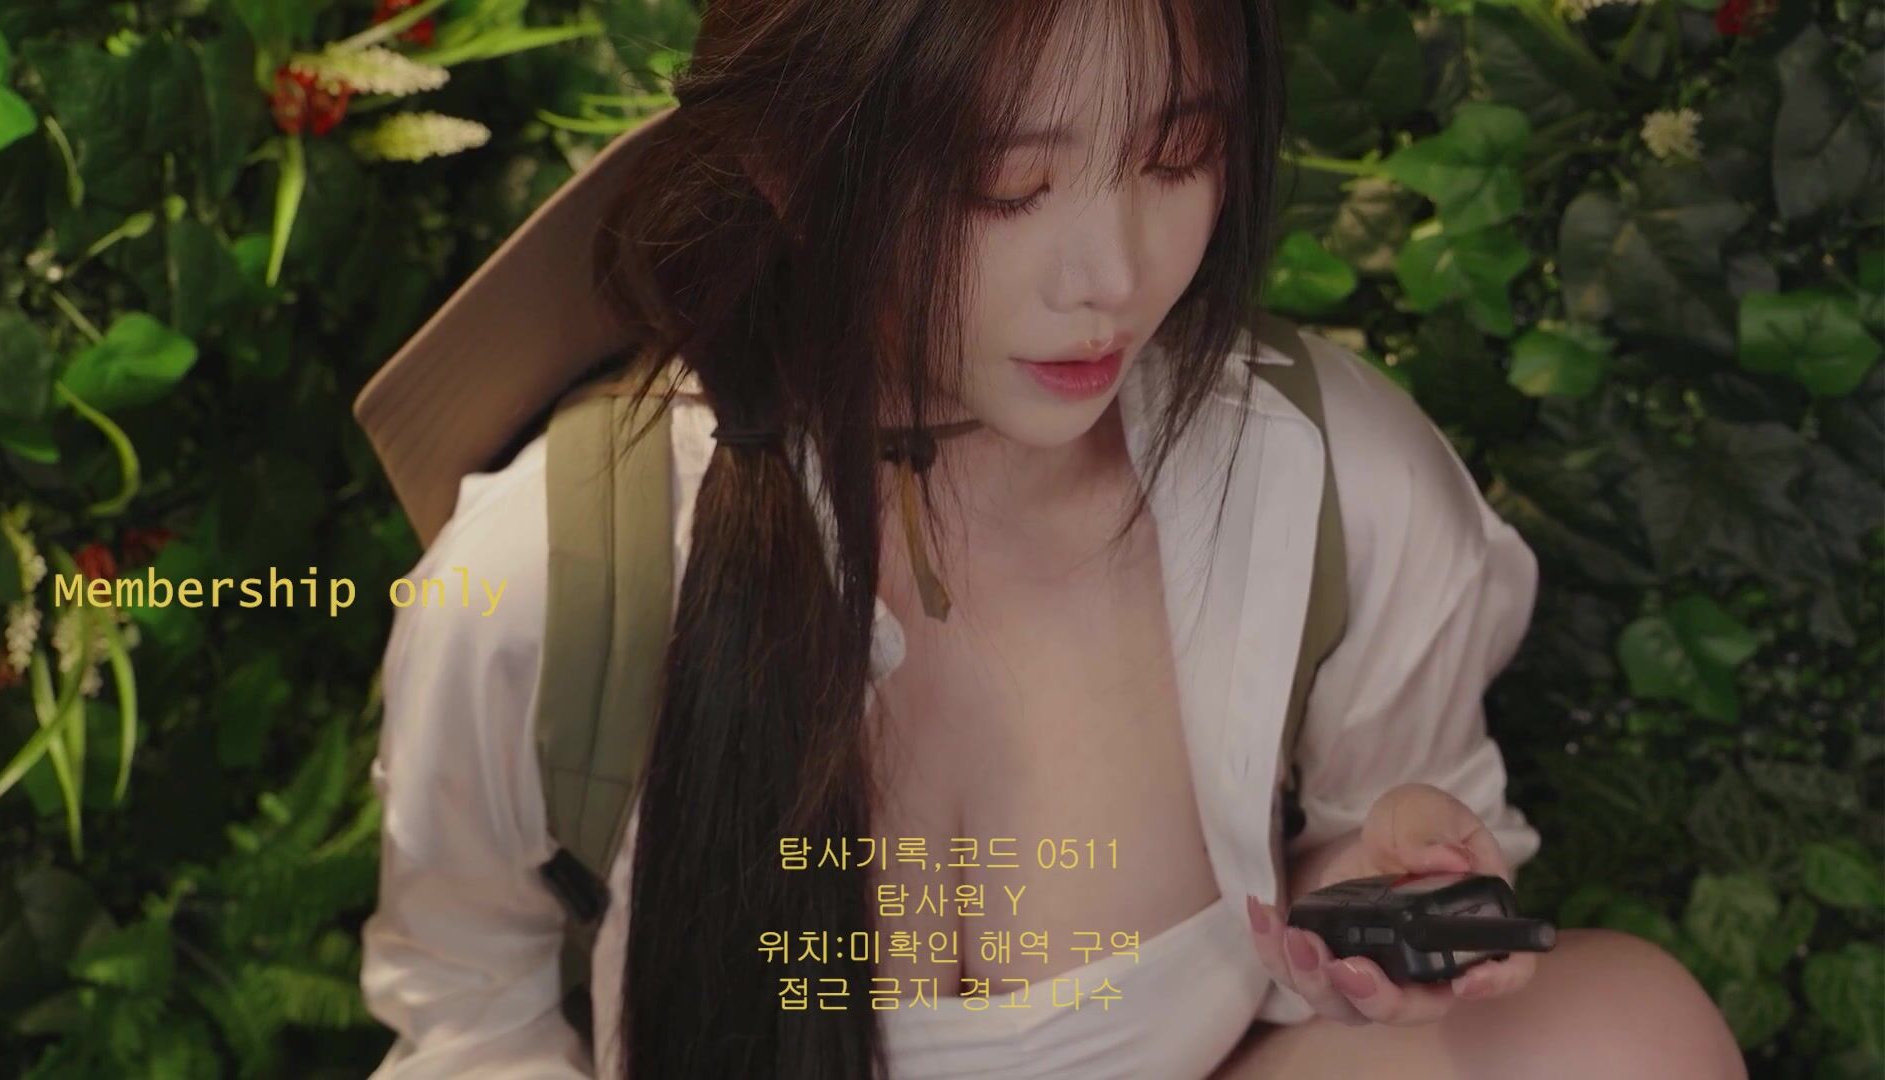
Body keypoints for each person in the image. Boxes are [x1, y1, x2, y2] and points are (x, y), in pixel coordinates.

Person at [350, 1, 1746, 1077]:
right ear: (789, 162)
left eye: (1178, 155)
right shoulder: (562, 569)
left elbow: (1375, 863)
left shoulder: (1329, 482)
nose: (1112, 277)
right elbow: (466, 1007)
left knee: (1620, 1035)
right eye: (1006, 184)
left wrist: (1364, 903)